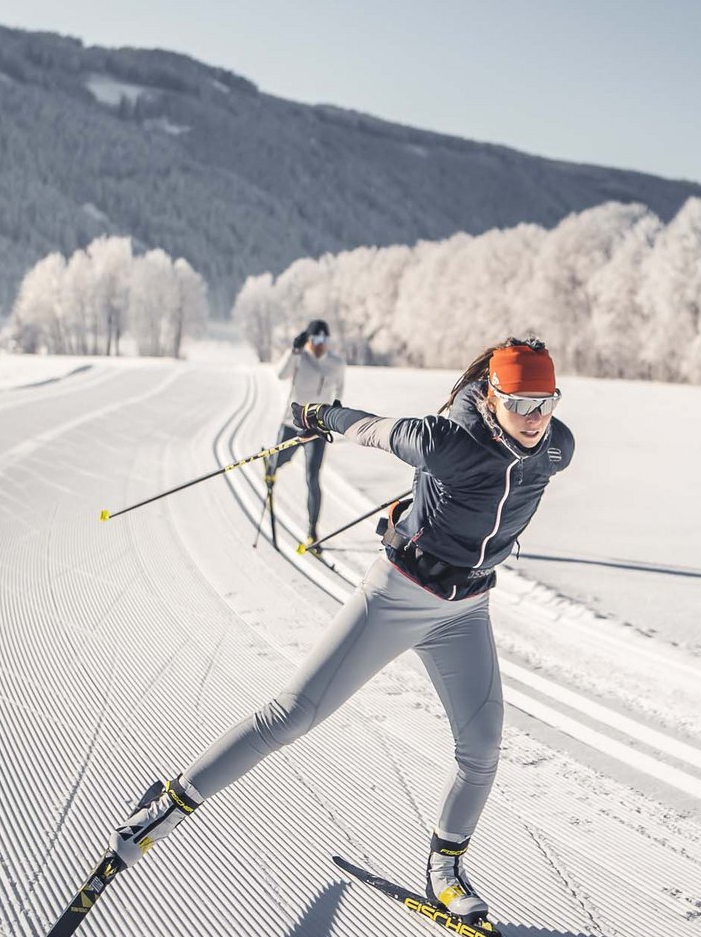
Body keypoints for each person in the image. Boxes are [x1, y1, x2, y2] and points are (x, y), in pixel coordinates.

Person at [108, 337, 572, 924]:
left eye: (546, 402)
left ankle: (445, 870)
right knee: (293, 714)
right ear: (491, 396)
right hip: (399, 596)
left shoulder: (558, 448)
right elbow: (373, 428)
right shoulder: (446, 441)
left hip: (466, 610)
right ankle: (169, 803)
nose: (535, 419)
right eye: (520, 403)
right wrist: (317, 417)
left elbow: (507, 494)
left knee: (481, 750)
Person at [268, 319, 346, 546]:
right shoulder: (300, 357)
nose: (319, 344)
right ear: (309, 339)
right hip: (292, 424)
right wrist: (293, 351)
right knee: (279, 461)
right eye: (314, 339)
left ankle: (312, 532)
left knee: (313, 477)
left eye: (323, 339)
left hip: (317, 428)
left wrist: (338, 408)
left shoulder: (336, 363)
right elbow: (280, 375)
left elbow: (340, 389)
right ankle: (271, 468)